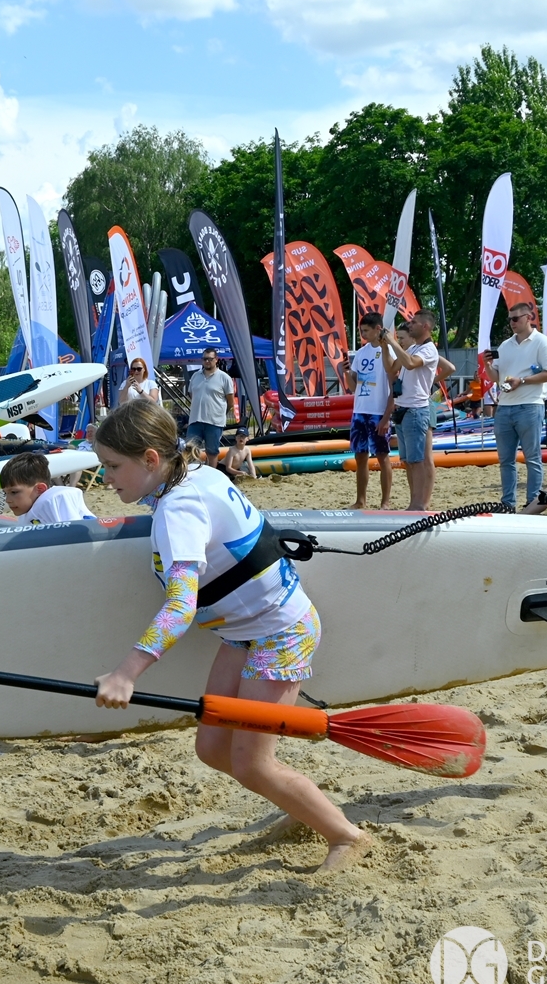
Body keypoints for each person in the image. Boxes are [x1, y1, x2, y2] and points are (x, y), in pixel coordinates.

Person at [90, 400, 371, 874]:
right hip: (244, 633)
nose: (106, 477)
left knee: (253, 764)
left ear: (151, 459)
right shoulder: (196, 472)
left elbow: (180, 606)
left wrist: (126, 674)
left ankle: (347, 836)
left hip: (280, 633)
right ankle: (303, 806)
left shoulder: (178, 508)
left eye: (113, 466)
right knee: (213, 748)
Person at [382, 309, 452, 511]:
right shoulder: (413, 348)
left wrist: (392, 342)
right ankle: (414, 502)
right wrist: (385, 346)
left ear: (425, 326)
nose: (410, 324)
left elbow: (411, 364)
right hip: (404, 408)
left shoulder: (428, 349)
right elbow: (391, 369)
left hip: (416, 409)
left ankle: (419, 504)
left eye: (414, 322)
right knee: (409, 461)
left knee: (419, 460)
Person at [491, 301, 547, 511]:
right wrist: (486, 365)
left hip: (530, 405)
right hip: (505, 406)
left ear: (529, 317)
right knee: (506, 460)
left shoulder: (542, 342)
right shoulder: (505, 345)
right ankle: (508, 503)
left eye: (515, 318)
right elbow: (496, 377)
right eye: (510, 319)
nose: (512, 323)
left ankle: (532, 502)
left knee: (532, 458)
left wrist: (522, 380)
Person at [341, 313, 395, 510]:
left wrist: (387, 416)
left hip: (378, 411)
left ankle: (385, 502)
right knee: (360, 456)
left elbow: (394, 386)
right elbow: (353, 387)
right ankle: (360, 500)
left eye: (365, 331)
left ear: (377, 329)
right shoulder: (361, 353)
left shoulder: (389, 351)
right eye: (361, 331)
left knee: (382, 455)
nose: (362, 334)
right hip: (360, 410)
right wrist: (346, 372)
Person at [0, 452, 97, 524]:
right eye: (5, 493)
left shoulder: (54, 500)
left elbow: (74, 534)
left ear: (40, 489)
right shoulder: (25, 513)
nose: (7, 500)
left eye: (14, 492)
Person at [186, 348, 237, 466]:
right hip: (195, 420)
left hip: (214, 422)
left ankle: (211, 474)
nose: (207, 361)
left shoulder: (224, 377)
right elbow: (192, 395)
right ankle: (191, 474)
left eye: (210, 359)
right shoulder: (195, 376)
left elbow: (230, 402)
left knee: (212, 452)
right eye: (204, 359)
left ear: (216, 360)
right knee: (189, 450)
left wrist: (219, 414)